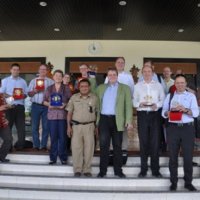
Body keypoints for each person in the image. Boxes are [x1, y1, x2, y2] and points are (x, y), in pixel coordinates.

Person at [162, 74, 199, 191]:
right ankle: (173, 182)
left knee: (188, 157)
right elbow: (163, 112)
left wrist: (185, 110)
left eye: (182, 82)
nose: (180, 85)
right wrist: (169, 112)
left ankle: (188, 182)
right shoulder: (170, 96)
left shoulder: (191, 96)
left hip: (187, 129)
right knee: (173, 157)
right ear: (175, 84)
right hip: (173, 128)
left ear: (186, 84)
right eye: (177, 83)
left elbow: (196, 113)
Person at [96, 67, 133, 178]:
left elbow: (128, 105)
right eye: (110, 74)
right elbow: (95, 101)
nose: (112, 76)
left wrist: (128, 120)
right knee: (103, 145)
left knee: (117, 146)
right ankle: (102, 171)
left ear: (117, 76)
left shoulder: (125, 88)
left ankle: (118, 170)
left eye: (114, 74)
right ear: (107, 76)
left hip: (118, 120)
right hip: (103, 119)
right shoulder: (101, 88)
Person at [134, 62, 165, 178]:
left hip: (155, 115)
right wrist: (139, 104)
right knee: (143, 143)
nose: (147, 73)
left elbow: (163, 99)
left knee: (155, 142)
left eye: (149, 71)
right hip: (142, 115)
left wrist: (156, 104)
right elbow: (134, 101)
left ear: (152, 73)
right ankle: (143, 169)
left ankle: (155, 170)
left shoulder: (158, 85)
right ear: (142, 73)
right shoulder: (137, 86)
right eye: (145, 72)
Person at [67, 79, 98, 177]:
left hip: (90, 126)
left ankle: (87, 169)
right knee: (76, 148)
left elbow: (98, 113)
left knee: (89, 149)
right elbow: (69, 113)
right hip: (76, 126)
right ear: (79, 87)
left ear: (89, 87)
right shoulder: (74, 97)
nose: (84, 88)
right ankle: (77, 169)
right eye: (82, 86)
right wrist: (68, 126)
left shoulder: (94, 98)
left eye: (86, 86)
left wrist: (97, 127)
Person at [104, 57, 134, 150]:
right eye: (118, 62)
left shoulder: (128, 76)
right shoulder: (108, 77)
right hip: (111, 110)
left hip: (123, 109)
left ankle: (123, 151)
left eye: (122, 62)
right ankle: (112, 151)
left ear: (124, 64)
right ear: (115, 63)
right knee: (111, 132)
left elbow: (132, 92)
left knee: (122, 131)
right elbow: (105, 90)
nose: (120, 64)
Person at [43, 70, 71, 164]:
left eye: (60, 76)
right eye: (56, 75)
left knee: (63, 137)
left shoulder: (66, 88)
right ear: (53, 77)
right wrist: (49, 104)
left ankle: (63, 157)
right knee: (53, 137)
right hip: (52, 116)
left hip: (63, 116)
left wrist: (65, 104)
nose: (58, 77)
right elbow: (44, 101)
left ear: (62, 77)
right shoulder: (49, 88)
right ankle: (53, 158)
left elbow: (70, 100)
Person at [0, 63, 27, 150]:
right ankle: (9, 147)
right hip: (8, 107)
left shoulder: (23, 81)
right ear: (10, 70)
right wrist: (12, 96)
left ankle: (20, 146)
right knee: (8, 127)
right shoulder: (5, 81)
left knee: (21, 127)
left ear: (19, 71)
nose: (15, 71)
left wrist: (21, 96)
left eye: (17, 70)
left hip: (20, 107)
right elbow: (1, 93)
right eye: (14, 69)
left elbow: (26, 94)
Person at [28, 64, 54, 151]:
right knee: (34, 126)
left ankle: (43, 146)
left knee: (46, 127)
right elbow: (29, 94)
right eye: (41, 69)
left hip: (46, 106)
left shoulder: (51, 82)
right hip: (35, 105)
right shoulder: (33, 81)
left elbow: (53, 94)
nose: (43, 71)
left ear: (47, 71)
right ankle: (36, 145)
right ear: (38, 70)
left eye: (44, 69)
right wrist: (35, 90)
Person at [0, 78, 12, 162]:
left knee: (8, 139)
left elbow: (3, 107)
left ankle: (1, 157)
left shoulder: (1, 95)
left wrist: (8, 106)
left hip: (3, 121)